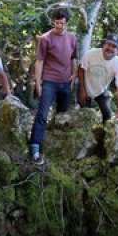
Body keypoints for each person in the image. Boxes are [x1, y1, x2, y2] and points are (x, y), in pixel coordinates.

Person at [29, 8, 78, 165]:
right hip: (49, 80)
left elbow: (74, 58)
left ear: (66, 23)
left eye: (62, 23)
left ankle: (58, 147)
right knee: (42, 114)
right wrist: (38, 83)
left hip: (66, 82)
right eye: (57, 23)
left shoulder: (72, 38)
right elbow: (39, 61)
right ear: (53, 22)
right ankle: (35, 147)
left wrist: (74, 76)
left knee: (62, 114)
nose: (59, 26)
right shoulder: (45, 39)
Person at [78, 33, 118, 125]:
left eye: (114, 46)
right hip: (85, 87)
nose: (110, 48)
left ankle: (103, 136)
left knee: (108, 115)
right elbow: (81, 69)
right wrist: (82, 89)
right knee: (84, 115)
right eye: (108, 44)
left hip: (101, 91)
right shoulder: (91, 53)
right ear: (104, 44)